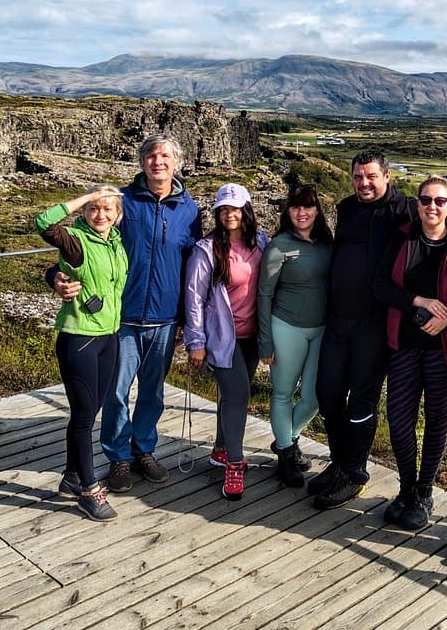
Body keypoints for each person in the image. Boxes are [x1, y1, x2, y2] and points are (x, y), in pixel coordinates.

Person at [311, 150, 447, 511]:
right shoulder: (345, 209)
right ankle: (341, 461)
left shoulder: (406, 208)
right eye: (358, 176)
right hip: (339, 320)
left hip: (375, 328)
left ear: (387, 177)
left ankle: (357, 473)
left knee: (362, 400)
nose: (364, 183)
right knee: (327, 392)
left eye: (371, 176)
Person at [52, 134, 202, 495]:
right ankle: (118, 457)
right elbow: (82, 243)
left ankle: (144, 451)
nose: (158, 161)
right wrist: (54, 277)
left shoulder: (189, 209)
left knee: (152, 391)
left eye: (165, 155)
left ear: (176, 162)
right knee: (117, 392)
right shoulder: (121, 202)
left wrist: (185, 319)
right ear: (142, 162)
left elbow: (192, 265)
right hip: (121, 317)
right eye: (151, 155)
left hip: (165, 319)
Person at [374, 176, 447, 530]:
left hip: (445, 351)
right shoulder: (403, 237)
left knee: (436, 420)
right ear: (416, 203)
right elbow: (381, 286)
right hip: (404, 346)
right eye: (425, 200)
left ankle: (424, 492)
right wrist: (418, 301)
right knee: (399, 420)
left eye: (439, 201)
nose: (431, 207)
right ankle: (405, 488)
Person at [36, 185, 128, 522]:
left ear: (117, 215)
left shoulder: (115, 242)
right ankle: (89, 491)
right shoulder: (76, 241)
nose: (100, 214)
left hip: (109, 336)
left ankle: (71, 478)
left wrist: (53, 276)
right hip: (80, 338)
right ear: (85, 212)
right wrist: (83, 198)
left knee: (92, 409)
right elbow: (45, 223)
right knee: (84, 416)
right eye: (93, 209)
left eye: (107, 209)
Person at [183, 183, 268, 501]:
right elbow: (193, 298)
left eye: (235, 207)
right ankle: (234, 463)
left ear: (246, 209)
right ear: (217, 212)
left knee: (231, 397)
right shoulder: (206, 250)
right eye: (223, 208)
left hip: (250, 338)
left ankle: (220, 448)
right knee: (238, 395)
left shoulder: (260, 242)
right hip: (221, 339)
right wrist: (196, 342)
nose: (229, 213)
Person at [258, 184, 334, 487]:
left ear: (317, 210)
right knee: (282, 393)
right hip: (285, 327)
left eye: (308, 206)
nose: (302, 213)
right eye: (295, 207)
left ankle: (285, 440)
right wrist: (265, 339)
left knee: (314, 398)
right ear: (288, 211)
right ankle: (287, 457)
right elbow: (264, 294)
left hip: (321, 330)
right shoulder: (278, 246)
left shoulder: (327, 243)